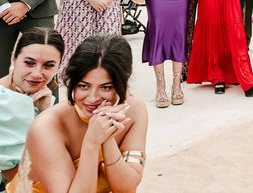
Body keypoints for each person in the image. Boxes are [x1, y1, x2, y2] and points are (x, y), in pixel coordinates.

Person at [7, 35, 148, 193]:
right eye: (83, 86)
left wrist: (107, 139)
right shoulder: (47, 126)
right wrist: (91, 143)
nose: (93, 98)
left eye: (106, 87)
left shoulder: (134, 110)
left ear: (124, 81)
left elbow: (126, 188)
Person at [0, 29, 64, 186]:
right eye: (29, 63)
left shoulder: (46, 102)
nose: (37, 74)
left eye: (48, 66)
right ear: (14, 58)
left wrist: (46, 113)